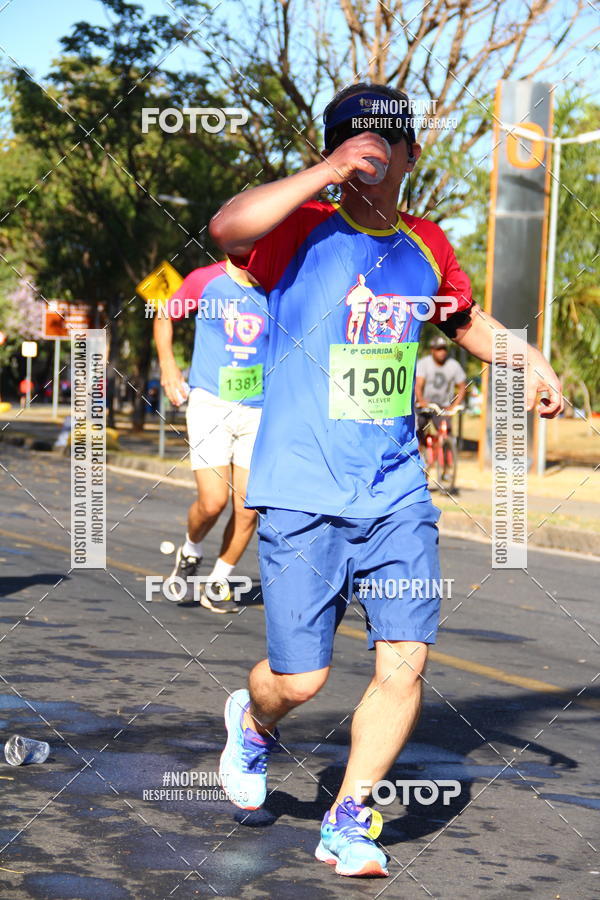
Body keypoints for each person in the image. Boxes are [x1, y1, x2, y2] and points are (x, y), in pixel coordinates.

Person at [209, 81, 563, 876]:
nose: (366, 153)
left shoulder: (427, 244)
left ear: (410, 152)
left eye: (379, 142)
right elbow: (226, 225)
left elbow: (462, 320)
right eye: (347, 141)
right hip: (302, 489)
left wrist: (530, 360)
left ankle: (346, 820)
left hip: (396, 491)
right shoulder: (294, 229)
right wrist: (322, 172)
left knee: (404, 657)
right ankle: (254, 724)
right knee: (299, 681)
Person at [154, 257, 269, 613]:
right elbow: (163, 315)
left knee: (249, 507)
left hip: (260, 408)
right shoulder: (205, 280)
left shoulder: (277, 284)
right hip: (211, 403)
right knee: (213, 501)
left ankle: (218, 581)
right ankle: (191, 548)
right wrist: (169, 367)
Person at [415, 335, 467, 443]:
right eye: (439, 349)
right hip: (425, 405)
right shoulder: (424, 363)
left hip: (443, 407)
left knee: (446, 431)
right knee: (418, 429)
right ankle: (419, 452)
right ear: (432, 350)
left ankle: (446, 453)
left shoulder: (453, 365)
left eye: (444, 348)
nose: (442, 352)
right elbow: (418, 385)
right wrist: (421, 400)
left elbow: (462, 387)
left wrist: (454, 405)